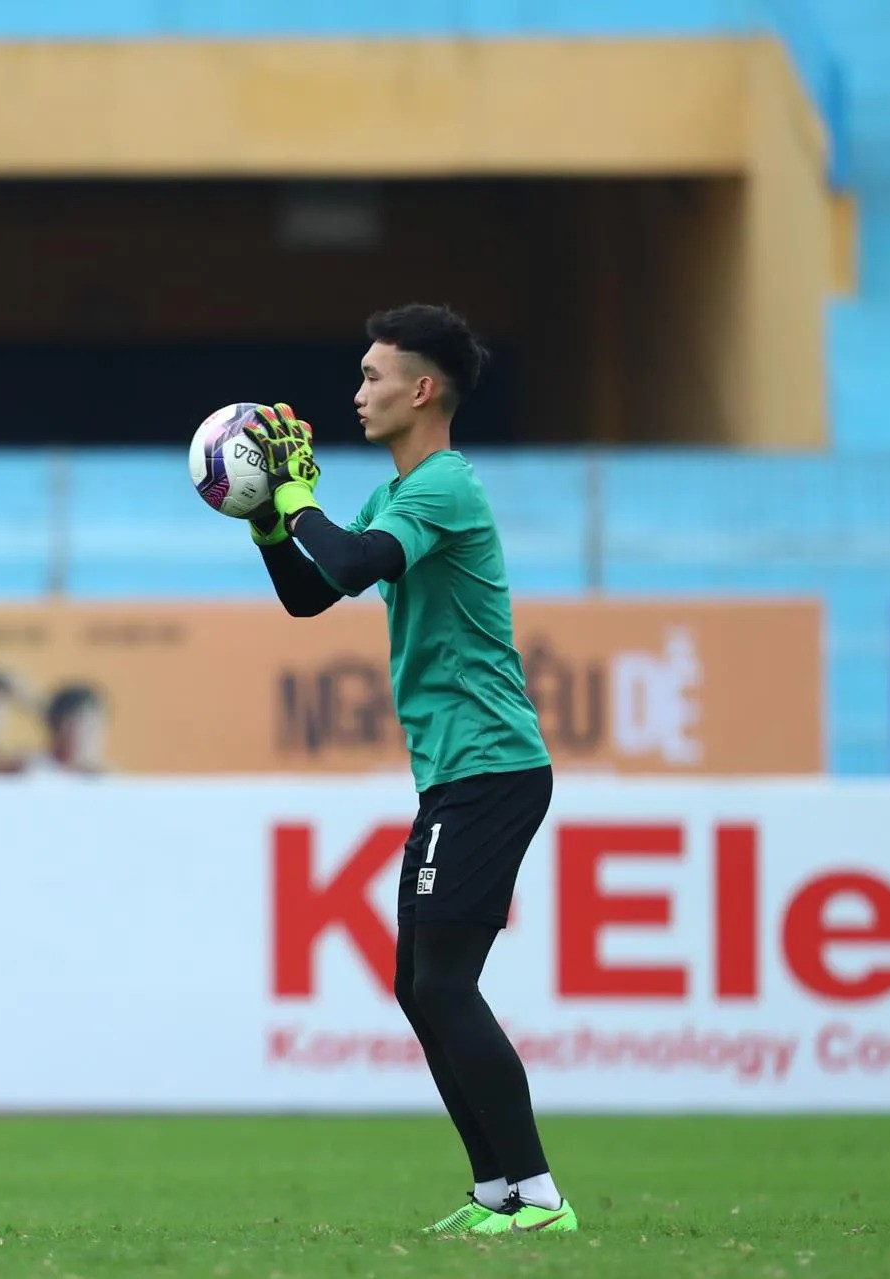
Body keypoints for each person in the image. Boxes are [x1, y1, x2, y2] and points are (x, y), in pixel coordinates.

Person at [245, 304, 575, 1235]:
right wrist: (269, 519)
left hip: (490, 766)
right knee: (419, 984)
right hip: (458, 772)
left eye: (372, 376)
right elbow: (311, 592)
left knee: (441, 984)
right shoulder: (398, 495)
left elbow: (354, 566)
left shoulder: (443, 488)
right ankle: (498, 1192)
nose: (356, 393)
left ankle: (538, 1195)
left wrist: (296, 494)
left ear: (422, 389)